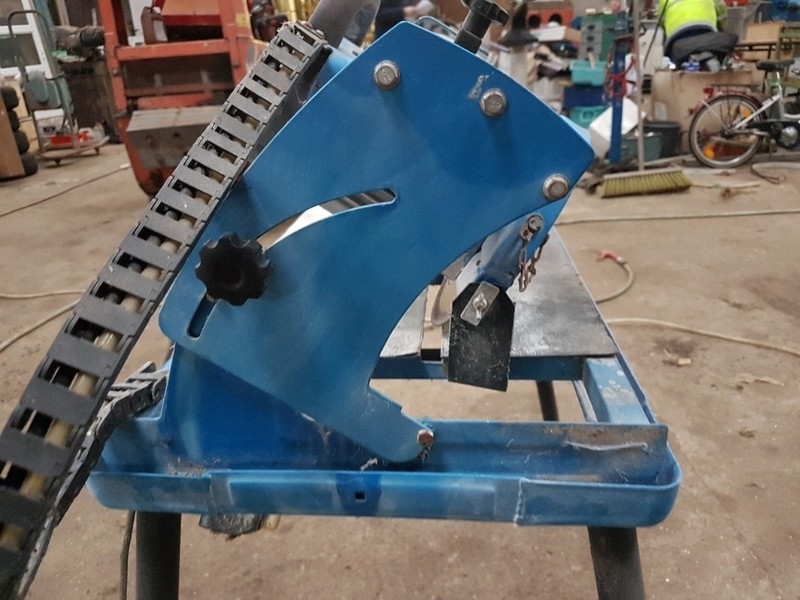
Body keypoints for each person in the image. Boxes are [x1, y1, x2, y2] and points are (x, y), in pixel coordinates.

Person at [659, 0, 728, 64]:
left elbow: (661, 23)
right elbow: (722, 14)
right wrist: (721, 31)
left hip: (677, 39)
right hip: (706, 32)